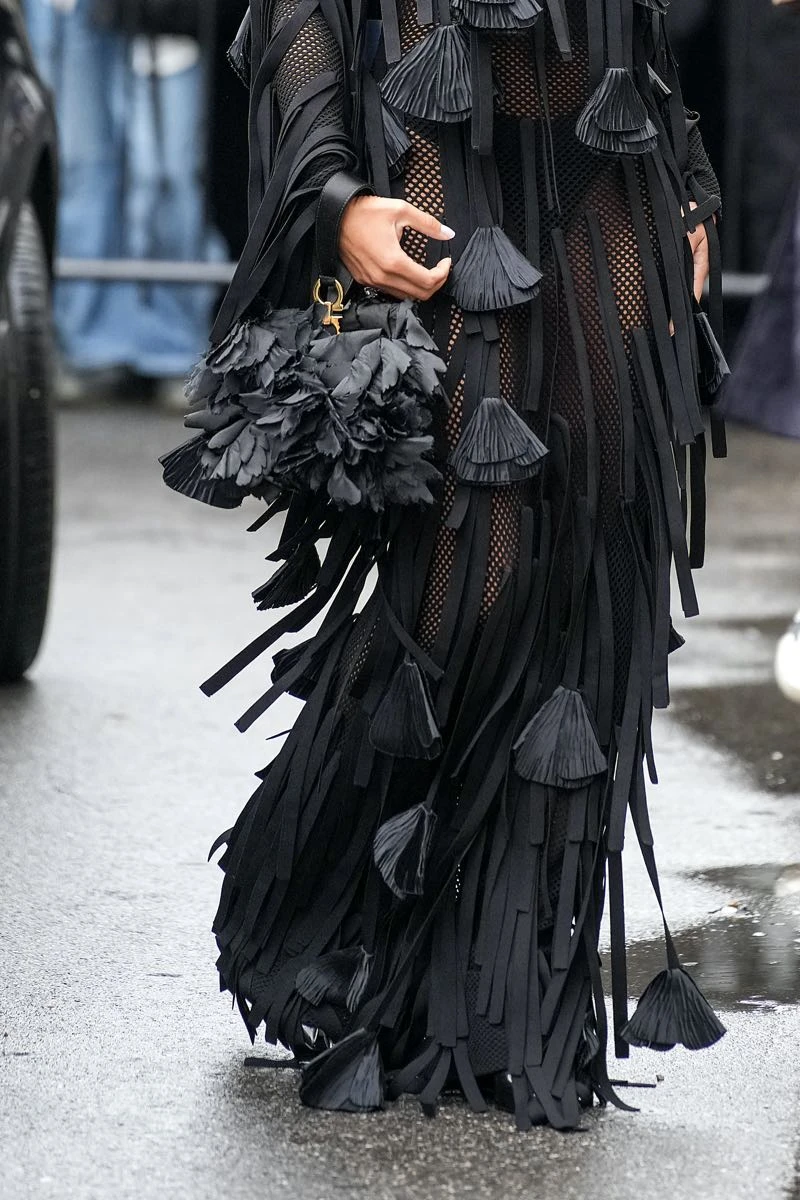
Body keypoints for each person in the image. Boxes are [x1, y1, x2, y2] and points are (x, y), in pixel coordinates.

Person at [192, 0, 727, 1130]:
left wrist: (684, 172)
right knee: (469, 572)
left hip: (606, 159)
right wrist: (330, 193)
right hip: (442, 160)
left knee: (592, 553)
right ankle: (332, 923)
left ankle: (512, 991)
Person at [23, 0, 227, 396]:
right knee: (83, 173)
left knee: (162, 172)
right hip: (66, 10)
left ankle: (171, 344)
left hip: (153, 17)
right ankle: (89, 345)